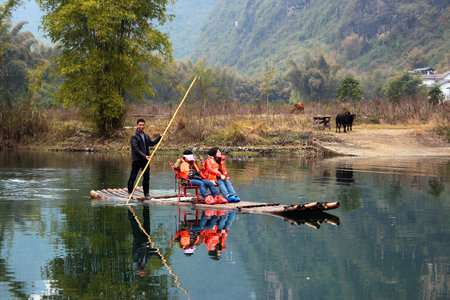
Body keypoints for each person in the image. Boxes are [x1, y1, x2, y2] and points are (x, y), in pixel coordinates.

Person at [127, 119, 163, 198]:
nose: (141, 126)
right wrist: (144, 156)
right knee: (133, 177)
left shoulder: (146, 136)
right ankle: (130, 193)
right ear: (137, 125)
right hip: (137, 160)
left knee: (146, 177)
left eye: (143, 125)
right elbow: (136, 149)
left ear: (144, 126)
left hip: (146, 160)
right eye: (140, 125)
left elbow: (152, 143)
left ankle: (146, 194)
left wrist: (159, 137)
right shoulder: (134, 136)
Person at [128, 205, 159, 277]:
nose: (143, 272)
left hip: (138, 239)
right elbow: (149, 253)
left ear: (138, 272)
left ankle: (130, 208)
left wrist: (144, 245)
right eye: (144, 273)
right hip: (146, 239)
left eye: (142, 273)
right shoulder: (145, 264)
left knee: (133, 222)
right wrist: (158, 255)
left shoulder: (135, 262)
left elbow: (137, 250)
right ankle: (146, 207)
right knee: (147, 221)